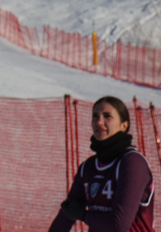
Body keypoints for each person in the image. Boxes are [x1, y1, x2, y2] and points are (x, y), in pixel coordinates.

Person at [48, 96, 155, 232]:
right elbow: (67, 213)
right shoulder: (88, 167)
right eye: (95, 116)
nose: (99, 122)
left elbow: (118, 225)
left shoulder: (132, 163)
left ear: (124, 125)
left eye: (107, 116)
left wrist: (83, 215)